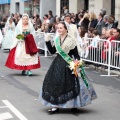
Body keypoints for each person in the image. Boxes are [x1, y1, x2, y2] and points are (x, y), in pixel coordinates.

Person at [39, 21, 97, 114]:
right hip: (57, 64)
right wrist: (47, 41)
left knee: (71, 84)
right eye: (58, 28)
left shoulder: (71, 40)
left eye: (61, 28)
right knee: (56, 84)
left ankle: (73, 105)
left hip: (68, 64)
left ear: (66, 29)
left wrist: (77, 63)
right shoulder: (57, 39)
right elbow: (52, 51)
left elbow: (76, 54)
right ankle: (55, 106)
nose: (59, 29)